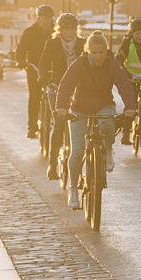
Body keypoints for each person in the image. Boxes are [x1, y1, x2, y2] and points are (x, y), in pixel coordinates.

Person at [55, 32, 136, 210]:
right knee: (77, 150)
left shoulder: (112, 64)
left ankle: (107, 151)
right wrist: (61, 106)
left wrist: (130, 106)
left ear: (106, 51)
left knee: (108, 124)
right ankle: (73, 189)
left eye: (101, 52)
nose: (98, 56)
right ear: (88, 51)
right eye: (94, 52)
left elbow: (124, 85)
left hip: (103, 105)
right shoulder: (80, 64)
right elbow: (66, 84)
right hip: (80, 109)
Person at [38, 12, 85, 179]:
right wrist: (43, 76)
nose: (70, 32)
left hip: (78, 88)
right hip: (57, 86)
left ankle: (82, 168)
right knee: (59, 124)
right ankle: (52, 165)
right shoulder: (52, 44)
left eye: (72, 28)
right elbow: (43, 63)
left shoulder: (83, 44)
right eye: (66, 29)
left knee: (82, 124)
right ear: (60, 29)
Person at [16, 5, 55, 139]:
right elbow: (21, 49)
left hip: (51, 68)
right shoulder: (29, 32)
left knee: (57, 95)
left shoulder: (56, 32)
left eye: (48, 19)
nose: (46, 21)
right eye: (43, 18)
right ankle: (32, 127)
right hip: (34, 69)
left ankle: (58, 122)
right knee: (34, 96)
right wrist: (21, 61)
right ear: (38, 18)